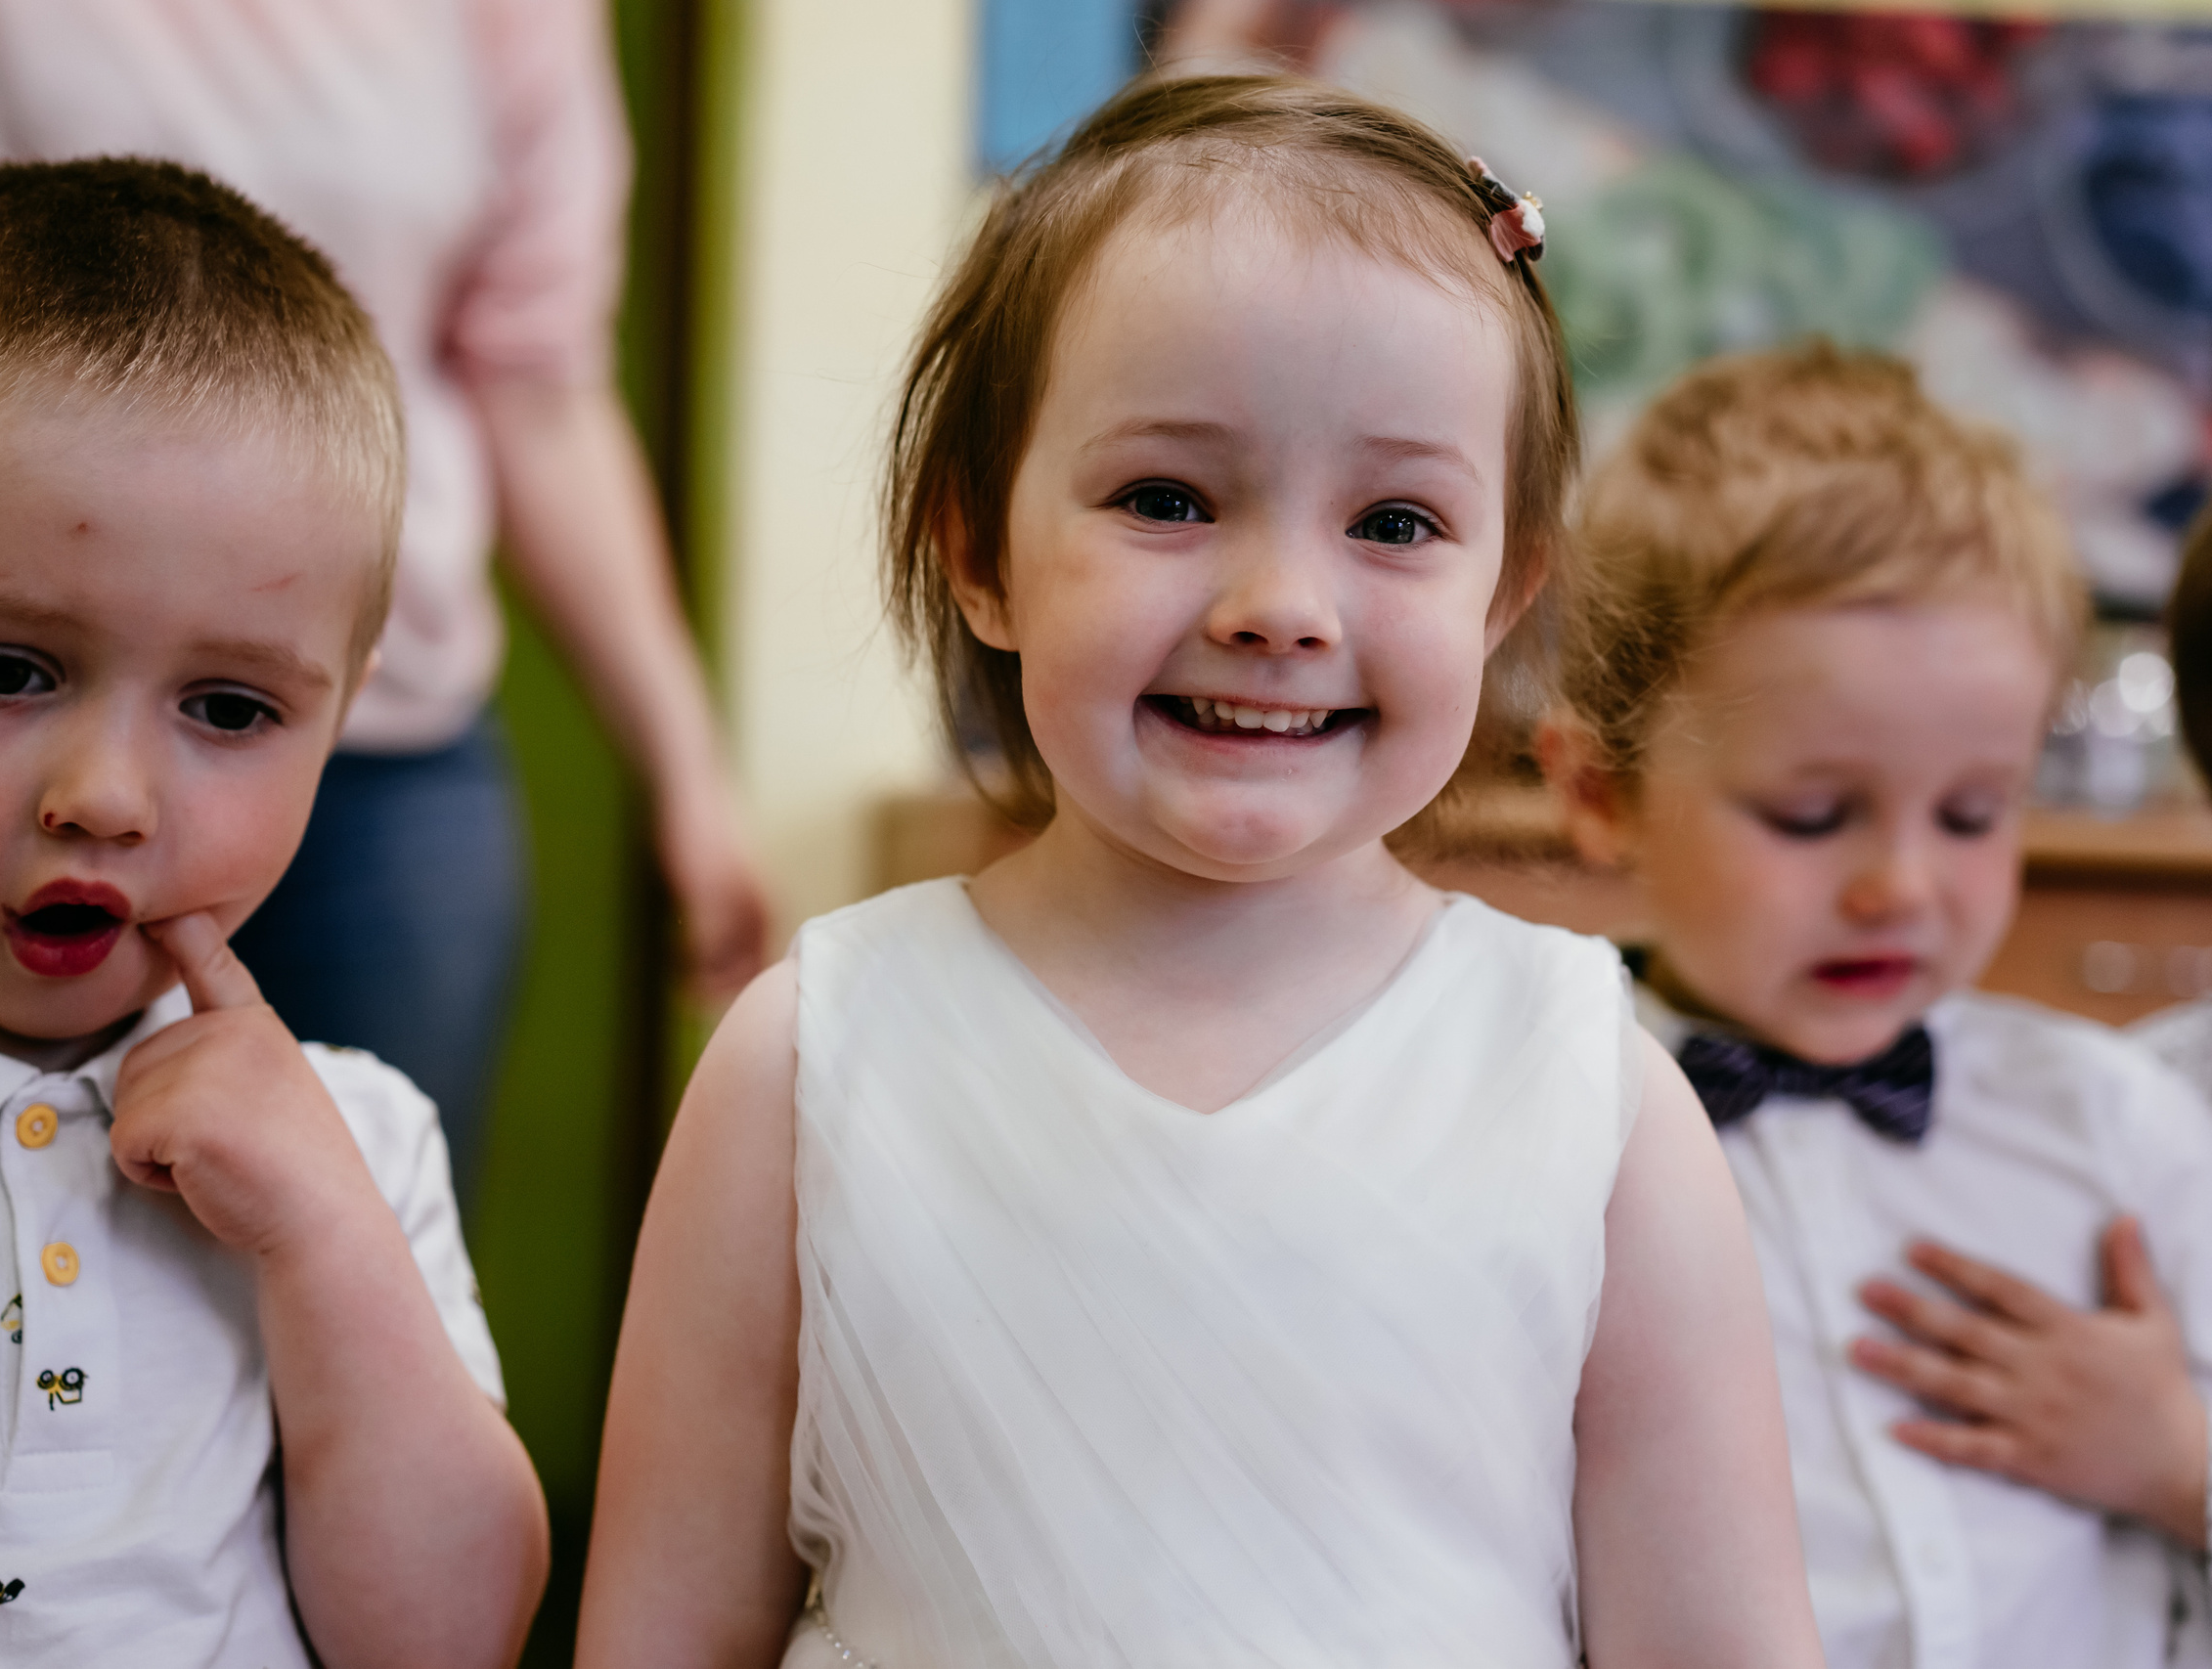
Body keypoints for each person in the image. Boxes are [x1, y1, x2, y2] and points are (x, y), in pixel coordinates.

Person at [574, 75, 1822, 1667]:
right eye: (1166, 497)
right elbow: (663, 1630)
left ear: (1506, 592)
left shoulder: (1597, 1092)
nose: (1280, 602)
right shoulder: (808, 1057)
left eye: (1395, 519)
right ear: (979, 550)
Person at [0, 159, 545, 1665]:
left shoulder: (356, 1148)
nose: (105, 793)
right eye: (6, 669)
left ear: (339, 717)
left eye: (229, 705)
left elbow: (450, 1636)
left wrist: (321, 1237)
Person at [0, 0, 772, 1207]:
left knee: (346, 1234)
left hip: (394, 766)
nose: (111, 799)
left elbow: (542, 384)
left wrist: (690, 769)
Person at [1539, 341, 2212, 1669]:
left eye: (1973, 811)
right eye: (1812, 813)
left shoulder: (2120, 1121)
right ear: (1602, 791)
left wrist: (2177, 1458)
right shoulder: (1535, 1137)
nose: (1900, 884)